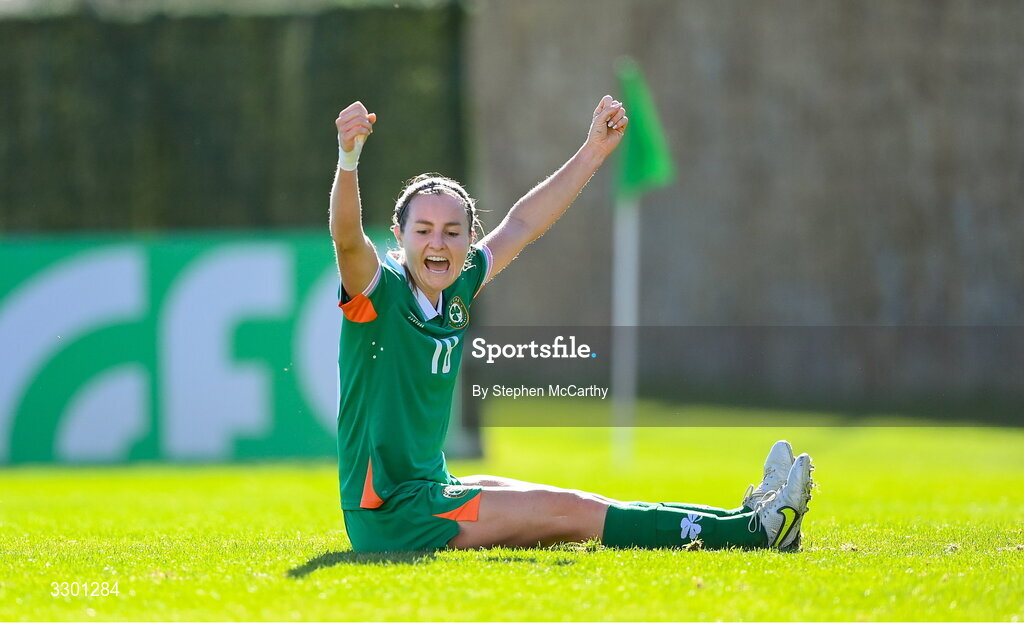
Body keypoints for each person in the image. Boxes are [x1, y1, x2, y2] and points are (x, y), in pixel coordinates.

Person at [329, 96, 814, 553]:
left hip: (432, 488)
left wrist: (593, 151)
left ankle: (747, 519)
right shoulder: (379, 290)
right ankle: (755, 534)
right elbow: (348, 239)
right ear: (398, 235)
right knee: (572, 511)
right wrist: (348, 160)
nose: (439, 243)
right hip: (392, 513)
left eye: (453, 232)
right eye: (424, 231)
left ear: (469, 237)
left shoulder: (457, 285)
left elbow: (521, 224)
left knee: (573, 503)